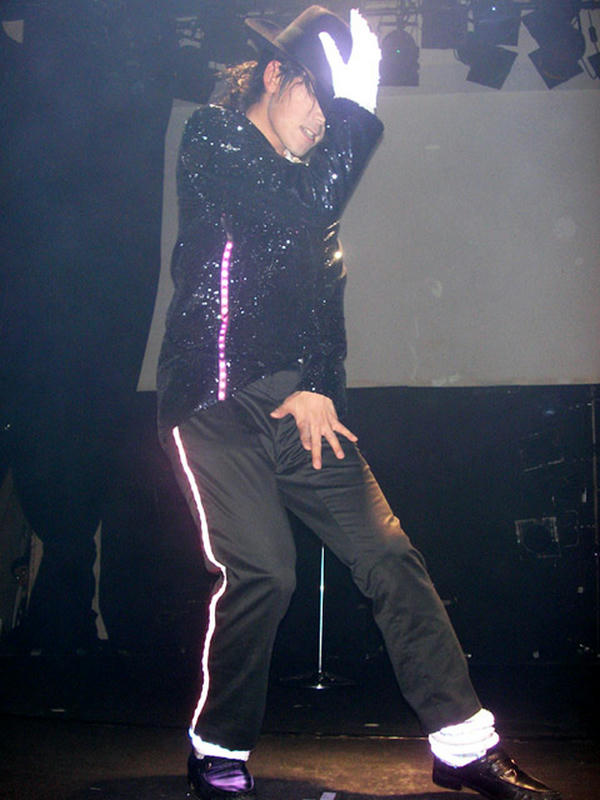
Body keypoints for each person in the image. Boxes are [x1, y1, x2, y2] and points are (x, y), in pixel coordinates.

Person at [157, 7, 561, 800]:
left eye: (335, 105)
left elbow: (323, 318)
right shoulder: (214, 138)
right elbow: (296, 207)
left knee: (388, 554)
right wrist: (358, 112)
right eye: (318, 96)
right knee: (266, 570)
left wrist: (317, 386)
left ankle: (462, 745)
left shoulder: (317, 204)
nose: (323, 120)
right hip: (215, 400)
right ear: (275, 75)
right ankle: (218, 745)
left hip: (299, 407)